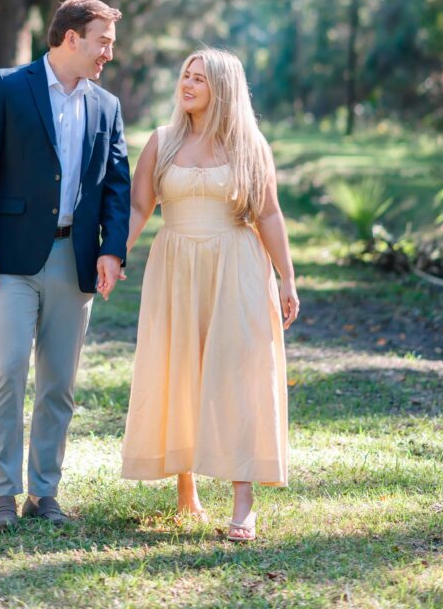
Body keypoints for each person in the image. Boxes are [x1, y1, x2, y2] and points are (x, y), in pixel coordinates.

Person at [0, 0, 130, 530]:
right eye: (102, 41)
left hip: (73, 261)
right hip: (9, 260)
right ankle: (3, 495)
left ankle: (45, 492)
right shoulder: (8, 87)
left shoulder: (107, 106)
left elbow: (117, 187)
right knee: (6, 371)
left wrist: (111, 249)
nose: (108, 53)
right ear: (71, 37)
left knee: (59, 383)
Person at [121, 47, 299, 541]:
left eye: (200, 78)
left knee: (239, 372)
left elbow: (268, 215)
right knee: (179, 368)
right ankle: (186, 490)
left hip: (237, 263)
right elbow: (138, 208)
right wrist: (115, 256)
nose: (188, 85)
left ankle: (244, 503)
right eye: (185, 75)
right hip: (175, 264)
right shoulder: (162, 141)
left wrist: (287, 278)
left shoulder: (250, 145)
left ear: (223, 88)